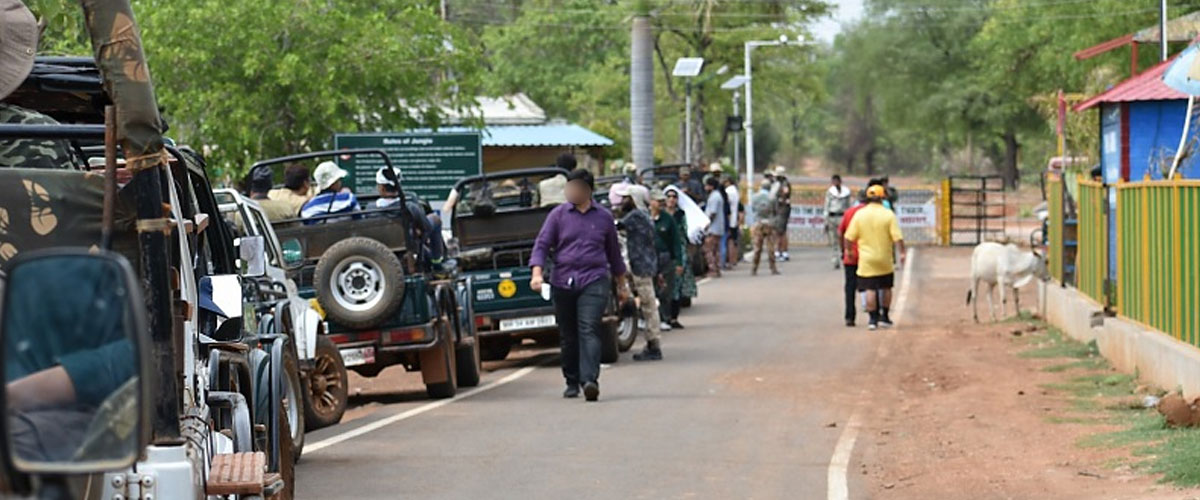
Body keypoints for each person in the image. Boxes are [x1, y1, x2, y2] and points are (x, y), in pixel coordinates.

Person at [529, 166, 629, 402]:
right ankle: (571, 380)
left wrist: (622, 285)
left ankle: (590, 380)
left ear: (587, 190)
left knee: (589, 328)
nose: (570, 192)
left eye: (575, 187)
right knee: (568, 334)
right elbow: (542, 244)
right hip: (562, 280)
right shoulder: (558, 215)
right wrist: (537, 273)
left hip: (594, 279)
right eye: (568, 187)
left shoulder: (603, 217)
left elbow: (614, 255)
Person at [844, 185, 906, 330]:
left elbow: (848, 237)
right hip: (884, 258)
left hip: (867, 259)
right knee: (886, 286)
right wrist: (902, 252)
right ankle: (884, 316)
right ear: (883, 197)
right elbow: (897, 237)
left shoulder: (860, 215)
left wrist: (848, 251)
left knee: (870, 288)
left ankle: (872, 319)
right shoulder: (888, 214)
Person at [614, 183, 664, 361]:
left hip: (640, 266)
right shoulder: (645, 215)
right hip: (646, 264)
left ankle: (653, 345)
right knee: (648, 305)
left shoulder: (635, 216)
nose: (622, 202)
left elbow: (616, 226)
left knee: (648, 306)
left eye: (626, 198)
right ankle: (653, 343)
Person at [650, 188, 683, 331]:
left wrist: (679, 262)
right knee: (650, 290)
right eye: (658, 201)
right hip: (649, 258)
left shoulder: (668, 219)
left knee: (665, 290)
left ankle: (665, 318)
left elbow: (676, 241)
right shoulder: (645, 218)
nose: (662, 203)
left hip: (665, 257)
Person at [663, 187, 696, 323]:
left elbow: (684, 233)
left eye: (674, 197)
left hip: (678, 250)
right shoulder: (660, 215)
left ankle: (673, 316)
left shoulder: (680, 215)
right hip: (663, 251)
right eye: (669, 196)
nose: (671, 199)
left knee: (676, 283)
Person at [837, 188, 868, 326]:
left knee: (850, 287)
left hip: (850, 255)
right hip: (866, 254)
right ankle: (874, 315)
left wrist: (843, 250)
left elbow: (841, 233)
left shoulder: (849, 212)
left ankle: (850, 316)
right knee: (871, 284)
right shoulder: (869, 213)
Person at [749, 180, 779, 276]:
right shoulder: (772, 198)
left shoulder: (754, 197)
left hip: (758, 223)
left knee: (757, 247)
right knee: (771, 247)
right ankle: (773, 268)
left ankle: (754, 268)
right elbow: (775, 211)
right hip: (769, 223)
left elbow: (753, 209)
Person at [825, 174, 853, 269]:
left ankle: (844, 255)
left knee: (844, 238)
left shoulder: (846, 192)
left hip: (842, 216)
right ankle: (835, 259)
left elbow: (849, 205)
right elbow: (826, 206)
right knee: (834, 239)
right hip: (832, 216)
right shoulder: (830, 192)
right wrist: (826, 220)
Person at [702, 177, 725, 278]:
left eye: (706, 185)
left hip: (713, 228)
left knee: (709, 250)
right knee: (715, 250)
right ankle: (717, 269)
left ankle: (713, 269)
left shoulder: (715, 197)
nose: (705, 187)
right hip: (717, 227)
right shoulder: (716, 196)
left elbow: (713, 213)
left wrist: (706, 224)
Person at [772, 167, 792, 261]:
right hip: (780, 209)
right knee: (779, 231)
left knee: (781, 231)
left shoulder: (784, 184)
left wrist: (781, 199)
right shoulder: (779, 184)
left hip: (782, 209)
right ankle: (779, 250)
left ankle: (783, 252)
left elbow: (785, 194)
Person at [723, 175, 741, 269]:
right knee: (733, 241)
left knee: (729, 241)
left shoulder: (729, 191)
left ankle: (730, 261)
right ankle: (733, 260)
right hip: (734, 219)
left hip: (730, 220)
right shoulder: (735, 190)